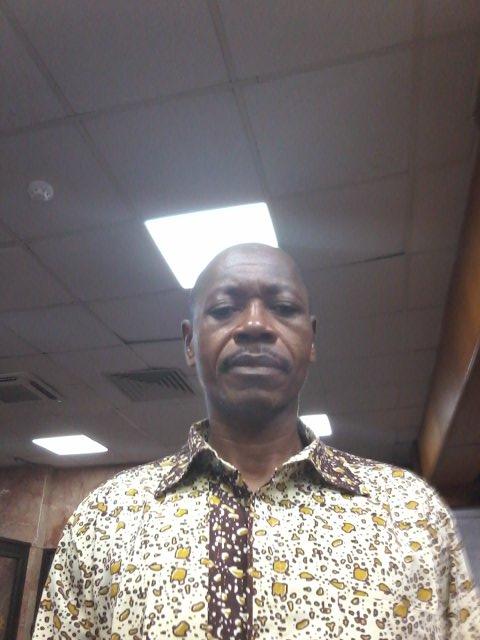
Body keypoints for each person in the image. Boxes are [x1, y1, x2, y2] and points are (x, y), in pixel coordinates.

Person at [33, 243, 479, 639]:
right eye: (224, 309)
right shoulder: (105, 519)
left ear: (311, 339)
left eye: (283, 308)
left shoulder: (412, 515)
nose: (254, 325)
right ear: (190, 343)